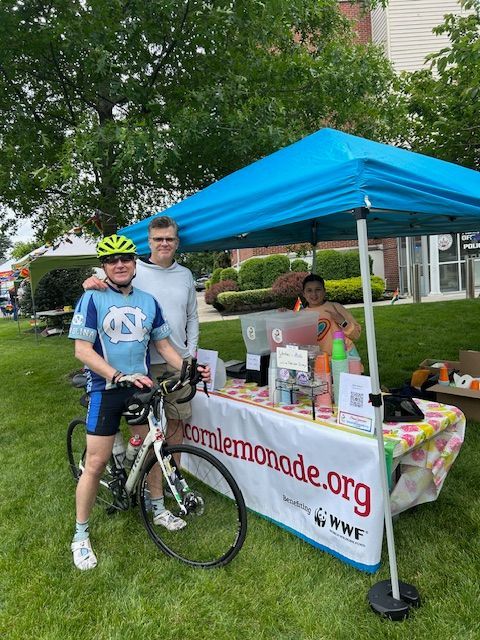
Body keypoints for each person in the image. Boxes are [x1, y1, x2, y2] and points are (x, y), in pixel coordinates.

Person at [69, 234, 209, 571]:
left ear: (134, 263)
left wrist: (189, 367)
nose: (119, 264)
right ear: (103, 267)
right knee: (96, 462)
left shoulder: (148, 301)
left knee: (151, 451)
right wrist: (117, 376)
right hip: (106, 389)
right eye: (111, 260)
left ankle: (157, 506)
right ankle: (80, 534)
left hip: (140, 387)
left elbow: (163, 347)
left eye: (125, 259)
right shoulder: (92, 298)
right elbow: (82, 351)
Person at [83, 216, 198, 455]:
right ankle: (142, 470)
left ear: (177, 242)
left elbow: (192, 316)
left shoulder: (185, 274)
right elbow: (105, 284)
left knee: (177, 420)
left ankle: (173, 475)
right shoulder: (133, 268)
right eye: (158, 239)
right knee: (148, 428)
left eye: (169, 238)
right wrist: (89, 283)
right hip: (144, 364)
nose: (164, 243)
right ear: (149, 242)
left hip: (177, 359)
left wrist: (191, 353)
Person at [301, 274, 362, 359]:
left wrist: (342, 321)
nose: (314, 294)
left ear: (324, 291)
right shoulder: (300, 316)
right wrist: (282, 314)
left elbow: (356, 335)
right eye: (309, 290)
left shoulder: (335, 307)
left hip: (344, 358)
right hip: (319, 363)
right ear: (303, 294)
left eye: (318, 289)